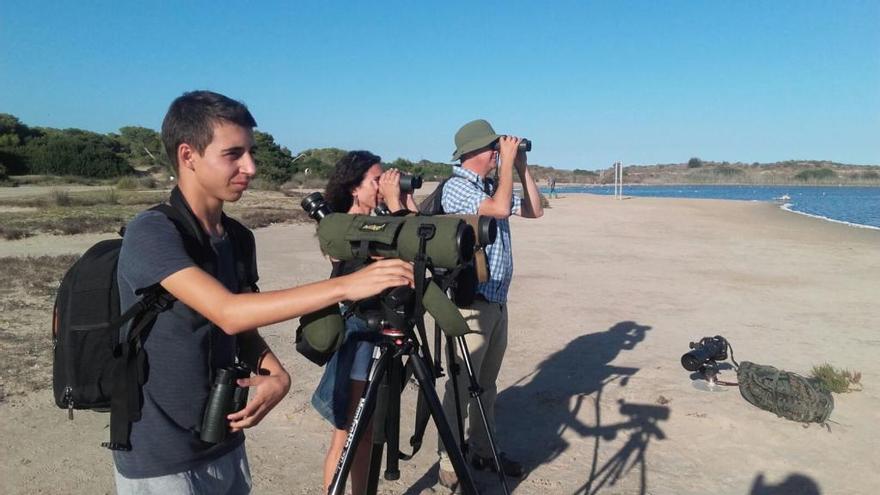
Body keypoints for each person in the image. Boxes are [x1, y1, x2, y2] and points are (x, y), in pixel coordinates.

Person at [113, 91, 413, 494]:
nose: (250, 167)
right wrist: (346, 285)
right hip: (159, 455)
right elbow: (229, 312)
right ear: (188, 155)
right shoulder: (152, 232)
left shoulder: (236, 237)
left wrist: (275, 372)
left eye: (251, 152)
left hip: (223, 435)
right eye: (233, 154)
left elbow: (241, 329)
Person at [436, 119, 543, 489]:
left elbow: (534, 210)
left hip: (497, 300)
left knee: (488, 383)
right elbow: (498, 210)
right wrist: (507, 163)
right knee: (461, 385)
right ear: (476, 152)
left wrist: (521, 167)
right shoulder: (457, 188)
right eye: (494, 148)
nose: (499, 153)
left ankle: (484, 449)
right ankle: (449, 459)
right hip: (471, 302)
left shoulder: (488, 184)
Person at [311, 150, 417, 494]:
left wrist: (405, 200)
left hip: (383, 332)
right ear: (354, 188)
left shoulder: (383, 218)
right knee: (347, 432)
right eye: (377, 178)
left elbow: (420, 245)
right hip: (358, 335)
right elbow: (391, 248)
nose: (383, 182)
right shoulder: (341, 227)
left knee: (369, 432)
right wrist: (394, 205)